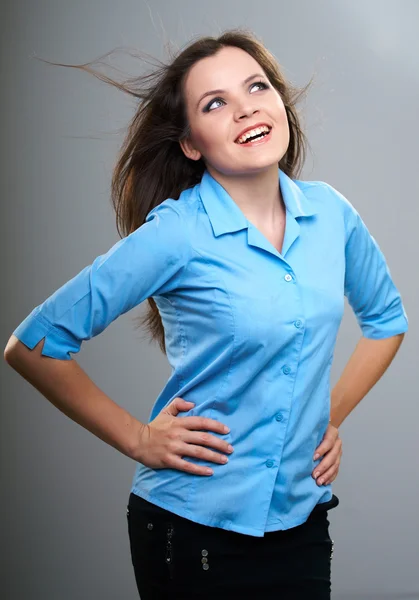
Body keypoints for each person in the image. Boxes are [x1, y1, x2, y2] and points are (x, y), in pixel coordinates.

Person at [4, 29, 408, 600]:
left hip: (301, 521)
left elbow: (387, 322)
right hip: (192, 531)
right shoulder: (176, 233)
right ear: (191, 143)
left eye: (257, 87)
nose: (245, 108)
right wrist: (140, 439)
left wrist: (325, 417)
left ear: (280, 105)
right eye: (215, 103)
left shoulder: (331, 213)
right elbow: (33, 345)